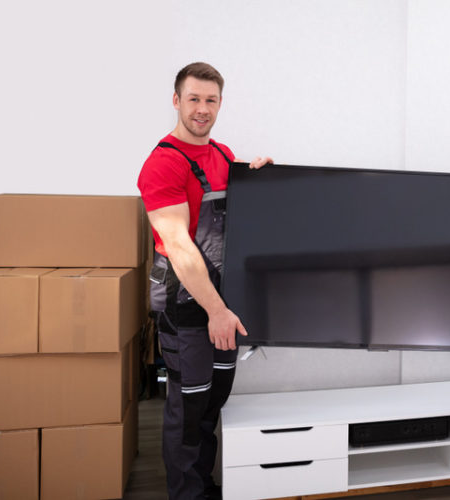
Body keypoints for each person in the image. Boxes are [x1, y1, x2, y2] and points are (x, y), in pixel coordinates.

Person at [137, 62, 273, 500]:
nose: (202, 109)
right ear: (177, 100)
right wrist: (215, 311)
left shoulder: (221, 156)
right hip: (189, 305)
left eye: (210, 100)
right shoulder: (162, 165)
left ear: (219, 104)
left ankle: (203, 487)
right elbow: (178, 245)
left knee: (212, 404)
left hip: (222, 304)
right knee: (188, 408)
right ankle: (186, 495)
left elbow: (241, 221)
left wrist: (258, 177)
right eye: (193, 99)